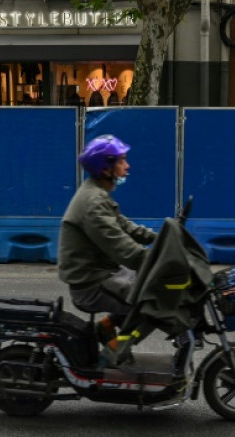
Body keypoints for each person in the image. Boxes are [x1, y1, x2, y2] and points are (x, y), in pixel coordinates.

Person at [58, 135, 157, 354]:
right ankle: (114, 353)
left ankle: (106, 327)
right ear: (105, 169)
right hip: (91, 283)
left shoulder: (98, 193)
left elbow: (127, 228)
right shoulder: (93, 203)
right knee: (153, 302)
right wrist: (158, 262)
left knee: (147, 287)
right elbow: (123, 248)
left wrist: (160, 239)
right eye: (122, 161)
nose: (127, 165)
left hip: (102, 272)